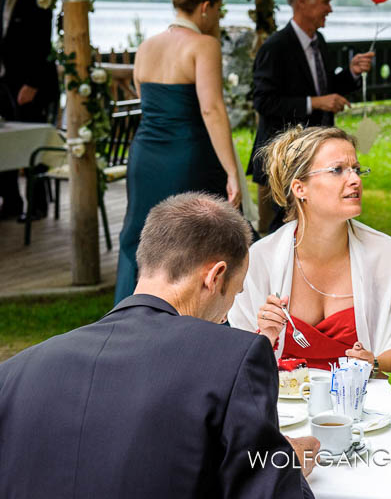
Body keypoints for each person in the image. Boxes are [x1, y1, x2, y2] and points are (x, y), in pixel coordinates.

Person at [0, 192, 320, 497]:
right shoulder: (234, 359)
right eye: (235, 294)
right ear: (215, 277)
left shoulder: (13, 374)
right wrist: (286, 461)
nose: (226, 317)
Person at [229, 126, 391, 374]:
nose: (355, 180)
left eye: (356, 170)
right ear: (300, 188)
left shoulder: (385, 254)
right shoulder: (260, 259)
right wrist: (266, 335)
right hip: (281, 404)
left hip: (359, 403)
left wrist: (373, 364)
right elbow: (240, 358)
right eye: (337, 170)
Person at [114, 0, 242, 304]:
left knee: (139, 239)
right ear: (205, 7)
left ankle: (126, 318)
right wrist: (232, 171)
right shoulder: (203, 46)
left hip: (144, 157)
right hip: (187, 156)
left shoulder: (146, 47)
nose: (217, 16)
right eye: (218, 8)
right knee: (195, 241)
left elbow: (146, 101)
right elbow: (211, 109)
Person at [248, 0, 374, 233]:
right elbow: (263, 101)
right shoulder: (275, 47)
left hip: (318, 158)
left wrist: (351, 72)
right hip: (285, 158)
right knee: (282, 231)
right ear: (303, 2)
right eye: (326, 2)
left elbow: (322, 88)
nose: (330, 8)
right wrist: (316, 103)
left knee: (315, 229)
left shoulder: (319, 42)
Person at [0, 0, 59, 221]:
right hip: (4, 86)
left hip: (30, 89)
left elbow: (42, 48)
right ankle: (10, 202)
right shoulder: (1, 1)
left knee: (32, 144)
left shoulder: (38, 1)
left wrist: (33, 84)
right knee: (5, 145)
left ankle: (37, 206)